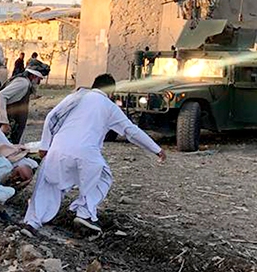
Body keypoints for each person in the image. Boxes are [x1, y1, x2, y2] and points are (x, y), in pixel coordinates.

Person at [24, 74, 165, 233]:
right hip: (87, 154)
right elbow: (131, 131)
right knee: (104, 177)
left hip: (58, 148)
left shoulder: (76, 96)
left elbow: (51, 116)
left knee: (47, 186)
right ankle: (84, 213)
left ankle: (32, 224)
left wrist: (45, 145)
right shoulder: (110, 106)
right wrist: (156, 149)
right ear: (111, 91)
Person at [0, 68, 44, 144]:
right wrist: (4, 122)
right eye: (39, 80)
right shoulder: (23, 83)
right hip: (1, 128)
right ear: (33, 76)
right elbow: (0, 96)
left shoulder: (25, 83)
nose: (38, 83)